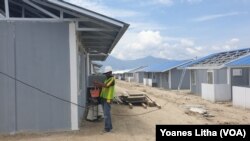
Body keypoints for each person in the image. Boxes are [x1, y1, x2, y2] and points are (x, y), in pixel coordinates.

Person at [94, 66, 115, 133]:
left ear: (110, 72)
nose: (105, 74)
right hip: (104, 98)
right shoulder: (106, 79)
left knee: (106, 114)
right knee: (106, 114)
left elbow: (106, 85)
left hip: (108, 99)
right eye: (105, 73)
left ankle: (107, 129)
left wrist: (98, 83)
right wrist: (97, 85)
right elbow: (103, 86)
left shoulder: (112, 79)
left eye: (106, 73)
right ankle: (109, 127)